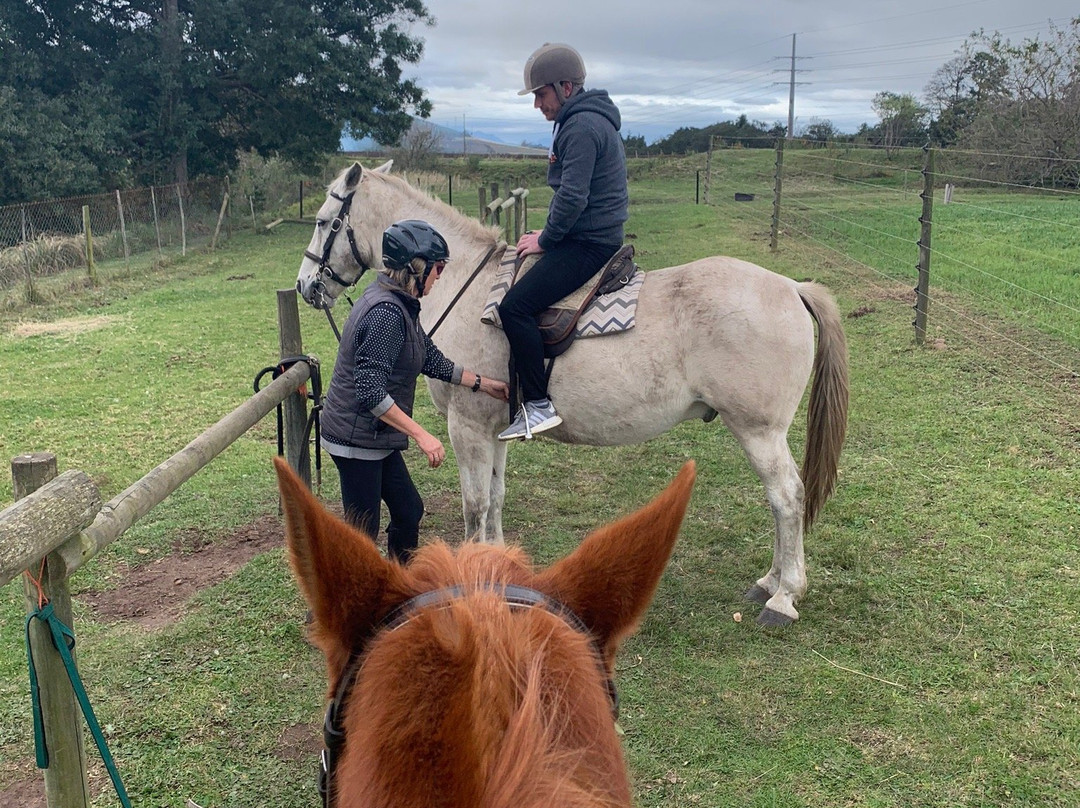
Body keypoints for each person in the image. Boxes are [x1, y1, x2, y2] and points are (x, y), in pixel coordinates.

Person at [320, 219, 510, 563]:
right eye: (438, 267)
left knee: (409, 510)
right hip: (355, 440)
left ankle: (400, 586)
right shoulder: (387, 314)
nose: (440, 275)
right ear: (416, 268)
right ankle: (338, 607)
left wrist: (481, 383)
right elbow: (370, 390)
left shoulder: (400, 302)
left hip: (375, 434)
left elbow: (427, 356)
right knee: (361, 535)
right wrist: (423, 435)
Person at [497, 42, 629, 441]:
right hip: (590, 234)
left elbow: (572, 198)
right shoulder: (583, 121)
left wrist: (547, 239)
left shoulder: (582, 128)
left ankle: (537, 405)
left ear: (566, 87)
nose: (537, 104)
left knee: (515, 307)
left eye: (541, 93)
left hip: (588, 243)